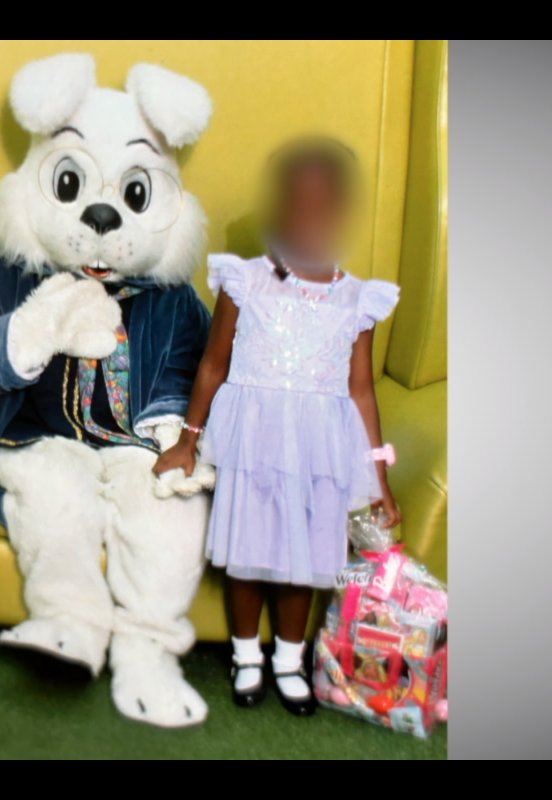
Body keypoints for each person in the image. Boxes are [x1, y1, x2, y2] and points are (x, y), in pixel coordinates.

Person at [153, 137, 402, 715]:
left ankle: (289, 660)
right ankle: (247, 656)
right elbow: (213, 364)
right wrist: (188, 443)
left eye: (322, 204)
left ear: (339, 211)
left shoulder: (358, 300)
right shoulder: (244, 281)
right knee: (250, 552)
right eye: (297, 202)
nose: (308, 216)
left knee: (304, 561)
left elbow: (360, 391)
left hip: (320, 450)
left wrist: (379, 477)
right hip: (255, 443)